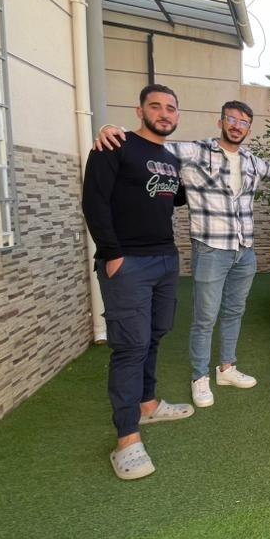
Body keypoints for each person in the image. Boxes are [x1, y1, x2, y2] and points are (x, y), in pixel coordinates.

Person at [95, 101, 270, 409]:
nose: (237, 126)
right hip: (211, 249)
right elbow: (150, 146)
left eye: (244, 122)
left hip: (244, 250)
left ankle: (227, 368)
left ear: (249, 128)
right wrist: (112, 130)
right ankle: (199, 377)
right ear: (220, 121)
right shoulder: (195, 151)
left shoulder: (252, 161)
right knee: (205, 318)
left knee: (234, 312)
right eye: (232, 119)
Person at [81, 83, 194, 481]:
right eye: (156, 106)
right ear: (140, 110)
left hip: (164, 259)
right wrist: (112, 254)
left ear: (177, 115)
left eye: (171, 108)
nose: (164, 113)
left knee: (155, 335)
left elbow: (173, 198)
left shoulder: (170, 160)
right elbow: (93, 201)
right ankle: (126, 438)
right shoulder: (115, 146)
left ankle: (148, 404)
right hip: (128, 263)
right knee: (130, 346)